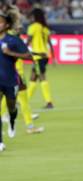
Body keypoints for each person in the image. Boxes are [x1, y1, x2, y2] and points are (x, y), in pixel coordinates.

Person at [0, 3, 44, 135]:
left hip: (13, 73)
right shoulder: (11, 37)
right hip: (15, 74)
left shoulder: (11, 36)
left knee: (17, 99)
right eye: (18, 20)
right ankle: (29, 126)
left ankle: (25, 123)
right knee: (21, 99)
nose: (20, 25)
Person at [0, 11, 32, 151]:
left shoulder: (13, 40)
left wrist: (10, 53)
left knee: (12, 107)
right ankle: (0, 141)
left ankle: (12, 121)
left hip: (10, 80)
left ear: (6, 25)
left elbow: (28, 56)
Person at [26, 8, 56, 109]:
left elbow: (28, 41)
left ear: (35, 17)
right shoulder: (45, 28)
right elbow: (50, 43)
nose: (31, 17)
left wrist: (21, 50)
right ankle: (24, 100)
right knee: (33, 78)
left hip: (37, 56)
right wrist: (54, 57)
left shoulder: (33, 27)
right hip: (45, 56)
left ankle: (49, 102)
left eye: (32, 16)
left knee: (41, 77)